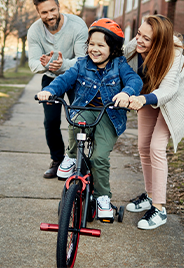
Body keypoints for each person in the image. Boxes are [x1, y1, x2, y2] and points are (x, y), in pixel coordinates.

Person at [36, 19, 143, 220]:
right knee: (76, 122)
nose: (94, 49)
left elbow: (134, 80)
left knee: (98, 158)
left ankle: (103, 198)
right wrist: (49, 91)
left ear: (113, 49)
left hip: (108, 116)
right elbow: (63, 80)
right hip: (85, 109)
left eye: (101, 45)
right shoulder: (81, 64)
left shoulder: (119, 64)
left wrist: (126, 93)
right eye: (91, 44)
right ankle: (70, 156)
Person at [124, 14, 184, 230]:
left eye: (147, 39)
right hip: (146, 93)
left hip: (171, 100)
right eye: (138, 34)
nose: (139, 41)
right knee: (143, 145)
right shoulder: (136, 45)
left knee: (156, 147)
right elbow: (116, 56)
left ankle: (160, 208)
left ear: (160, 42)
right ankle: (150, 195)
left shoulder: (175, 55)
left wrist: (142, 99)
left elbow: (169, 90)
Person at [28, 0, 88, 178]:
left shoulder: (77, 25)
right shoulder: (34, 31)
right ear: (39, 13)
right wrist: (44, 64)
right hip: (51, 79)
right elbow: (33, 63)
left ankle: (77, 161)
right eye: (44, 12)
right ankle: (57, 160)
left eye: (52, 10)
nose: (49, 15)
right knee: (51, 121)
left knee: (78, 120)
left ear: (59, 6)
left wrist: (63, 65)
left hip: (75, 77)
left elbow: (83, 60)